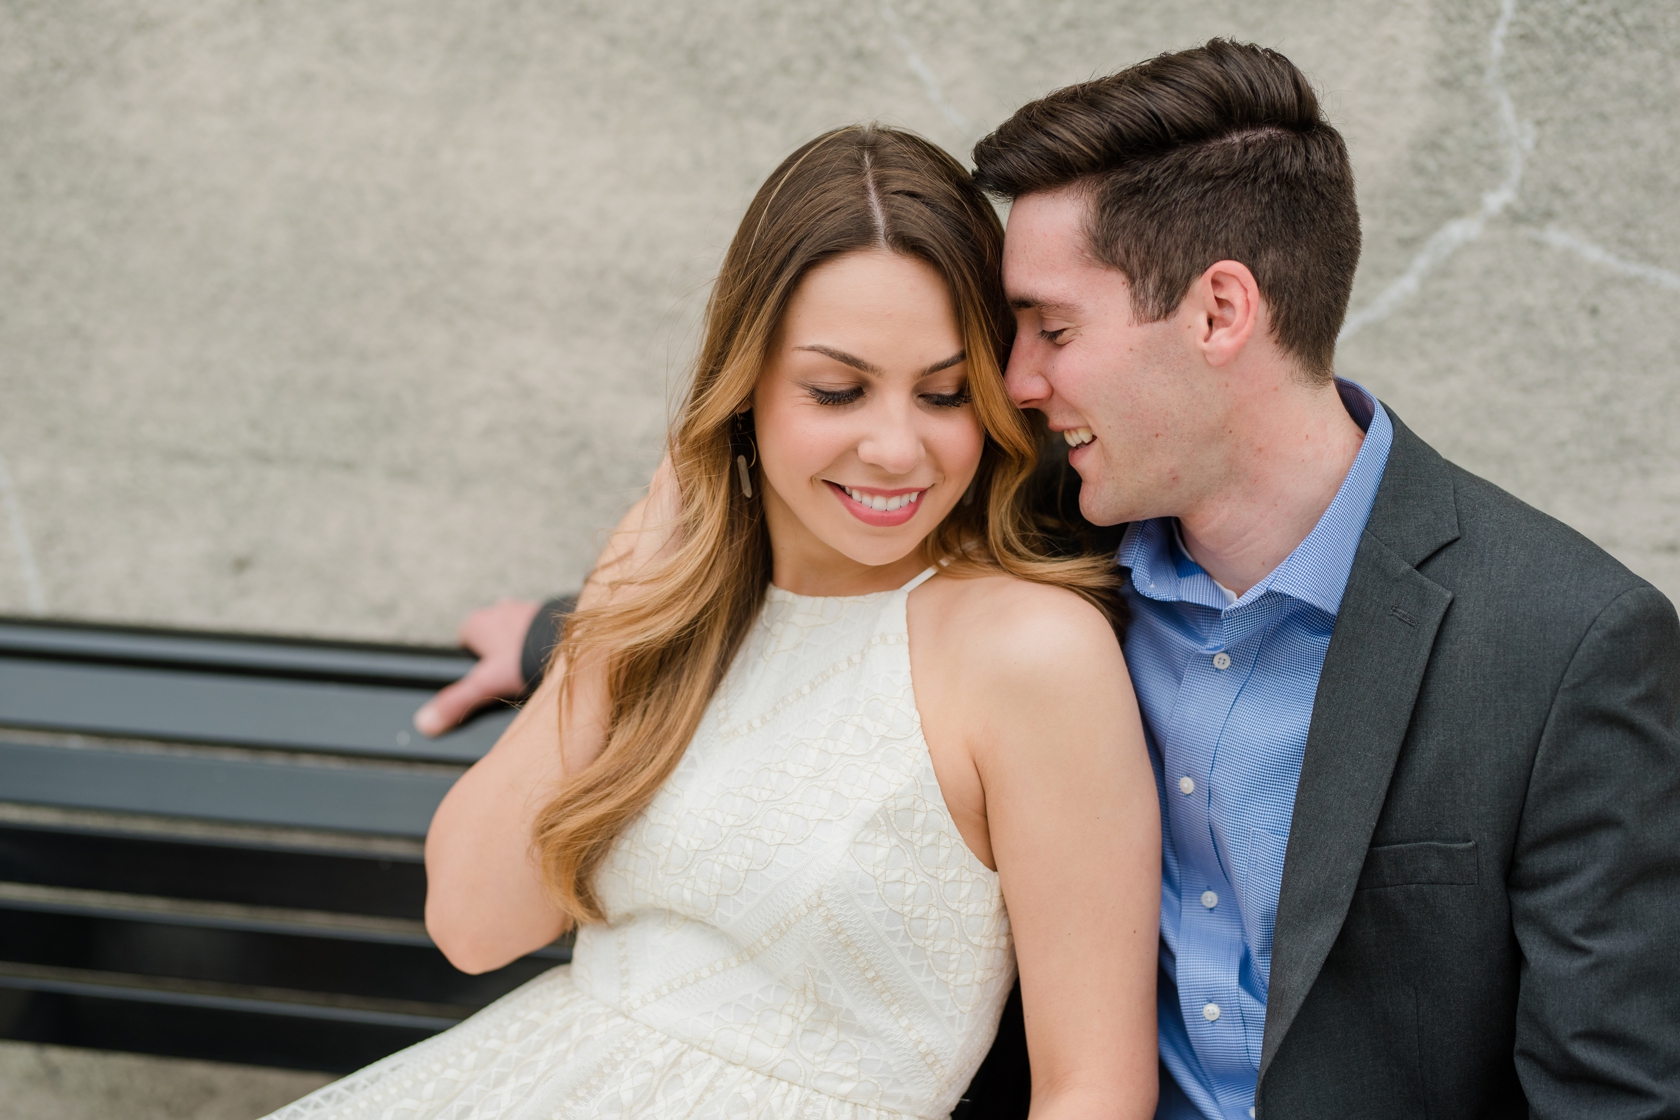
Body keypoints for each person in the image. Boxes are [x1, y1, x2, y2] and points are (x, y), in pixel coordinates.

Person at [421, 40, 1680, 1120]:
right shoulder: (1058, 531)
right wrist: (569, 630)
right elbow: (825, 632)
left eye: (1051, 332)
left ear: (1220, 310)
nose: (1014, 384)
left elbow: (1612, 1093)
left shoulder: (1562, 647)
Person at [271, 125, 1162, 1120]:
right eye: (838, 388)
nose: (896, 446)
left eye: (946, 392)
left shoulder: (1026, 652)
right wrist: (609, 618)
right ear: (748, 387)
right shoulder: (677, 610)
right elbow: (473, 923)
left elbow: (1094, 1088)